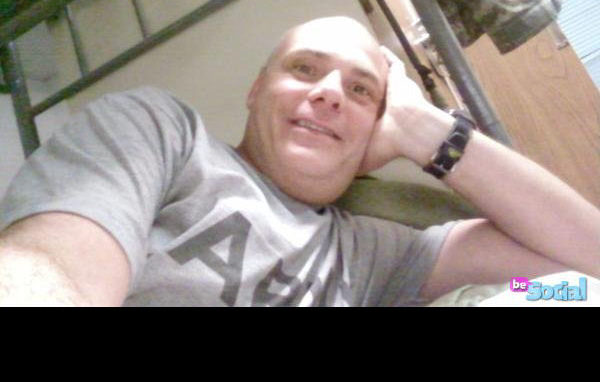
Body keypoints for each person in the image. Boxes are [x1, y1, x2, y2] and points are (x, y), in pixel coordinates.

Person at [0, 16, 598, 306]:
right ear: (256, 90)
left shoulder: (371, 255)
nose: (331, 92)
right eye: (304, 69)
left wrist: (425, 129)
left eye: (361, 90)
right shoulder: (162, 134)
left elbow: (583, 268)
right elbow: (54, 266)